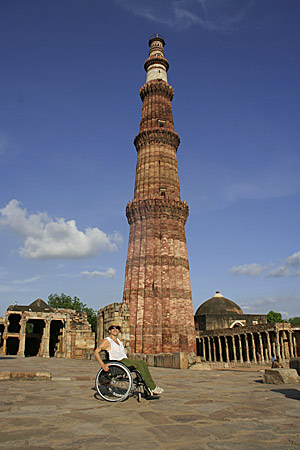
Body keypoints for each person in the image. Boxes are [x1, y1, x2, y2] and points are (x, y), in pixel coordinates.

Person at [94, 321, 164, 395]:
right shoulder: (107, 341)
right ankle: (152, 387)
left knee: (142, 363)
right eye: (112, 328)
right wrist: (102, 365)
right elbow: (96, 351)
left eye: (117, 328)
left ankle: (147, 389)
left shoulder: (118, 341)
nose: (115, 329)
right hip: (118, 362)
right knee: (139, 364)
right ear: (109, 331)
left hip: (124, 361)